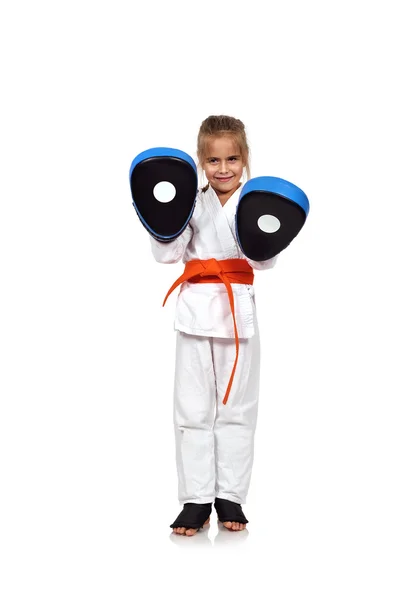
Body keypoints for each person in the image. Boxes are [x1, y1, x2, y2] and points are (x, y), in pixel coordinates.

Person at [149, 115, 277, 536]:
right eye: (214, 160)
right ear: (201, 162)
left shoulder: (255, 204)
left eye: (233, 159)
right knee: (191, 411)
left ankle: (230, 496)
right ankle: (196, 499)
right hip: (193, 315)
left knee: (238, 410)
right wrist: (164, 214)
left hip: (237, 314)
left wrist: (261, 231)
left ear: (245, 159)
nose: (224, 169)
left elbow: (264, 260)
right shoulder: (190, 201)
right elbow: (168, 257)